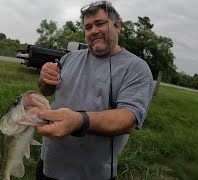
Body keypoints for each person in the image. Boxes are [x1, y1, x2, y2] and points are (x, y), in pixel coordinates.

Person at [35, 1, 154, 179]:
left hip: (92, 173)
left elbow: (129, 119)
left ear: (118, 26)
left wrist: (79, 121)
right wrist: (44, 79)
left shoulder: (136, 68)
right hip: (49, 164)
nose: (93, 31)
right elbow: (47, 91)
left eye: (100, 24)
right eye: (88, 27)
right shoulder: (69, 58)